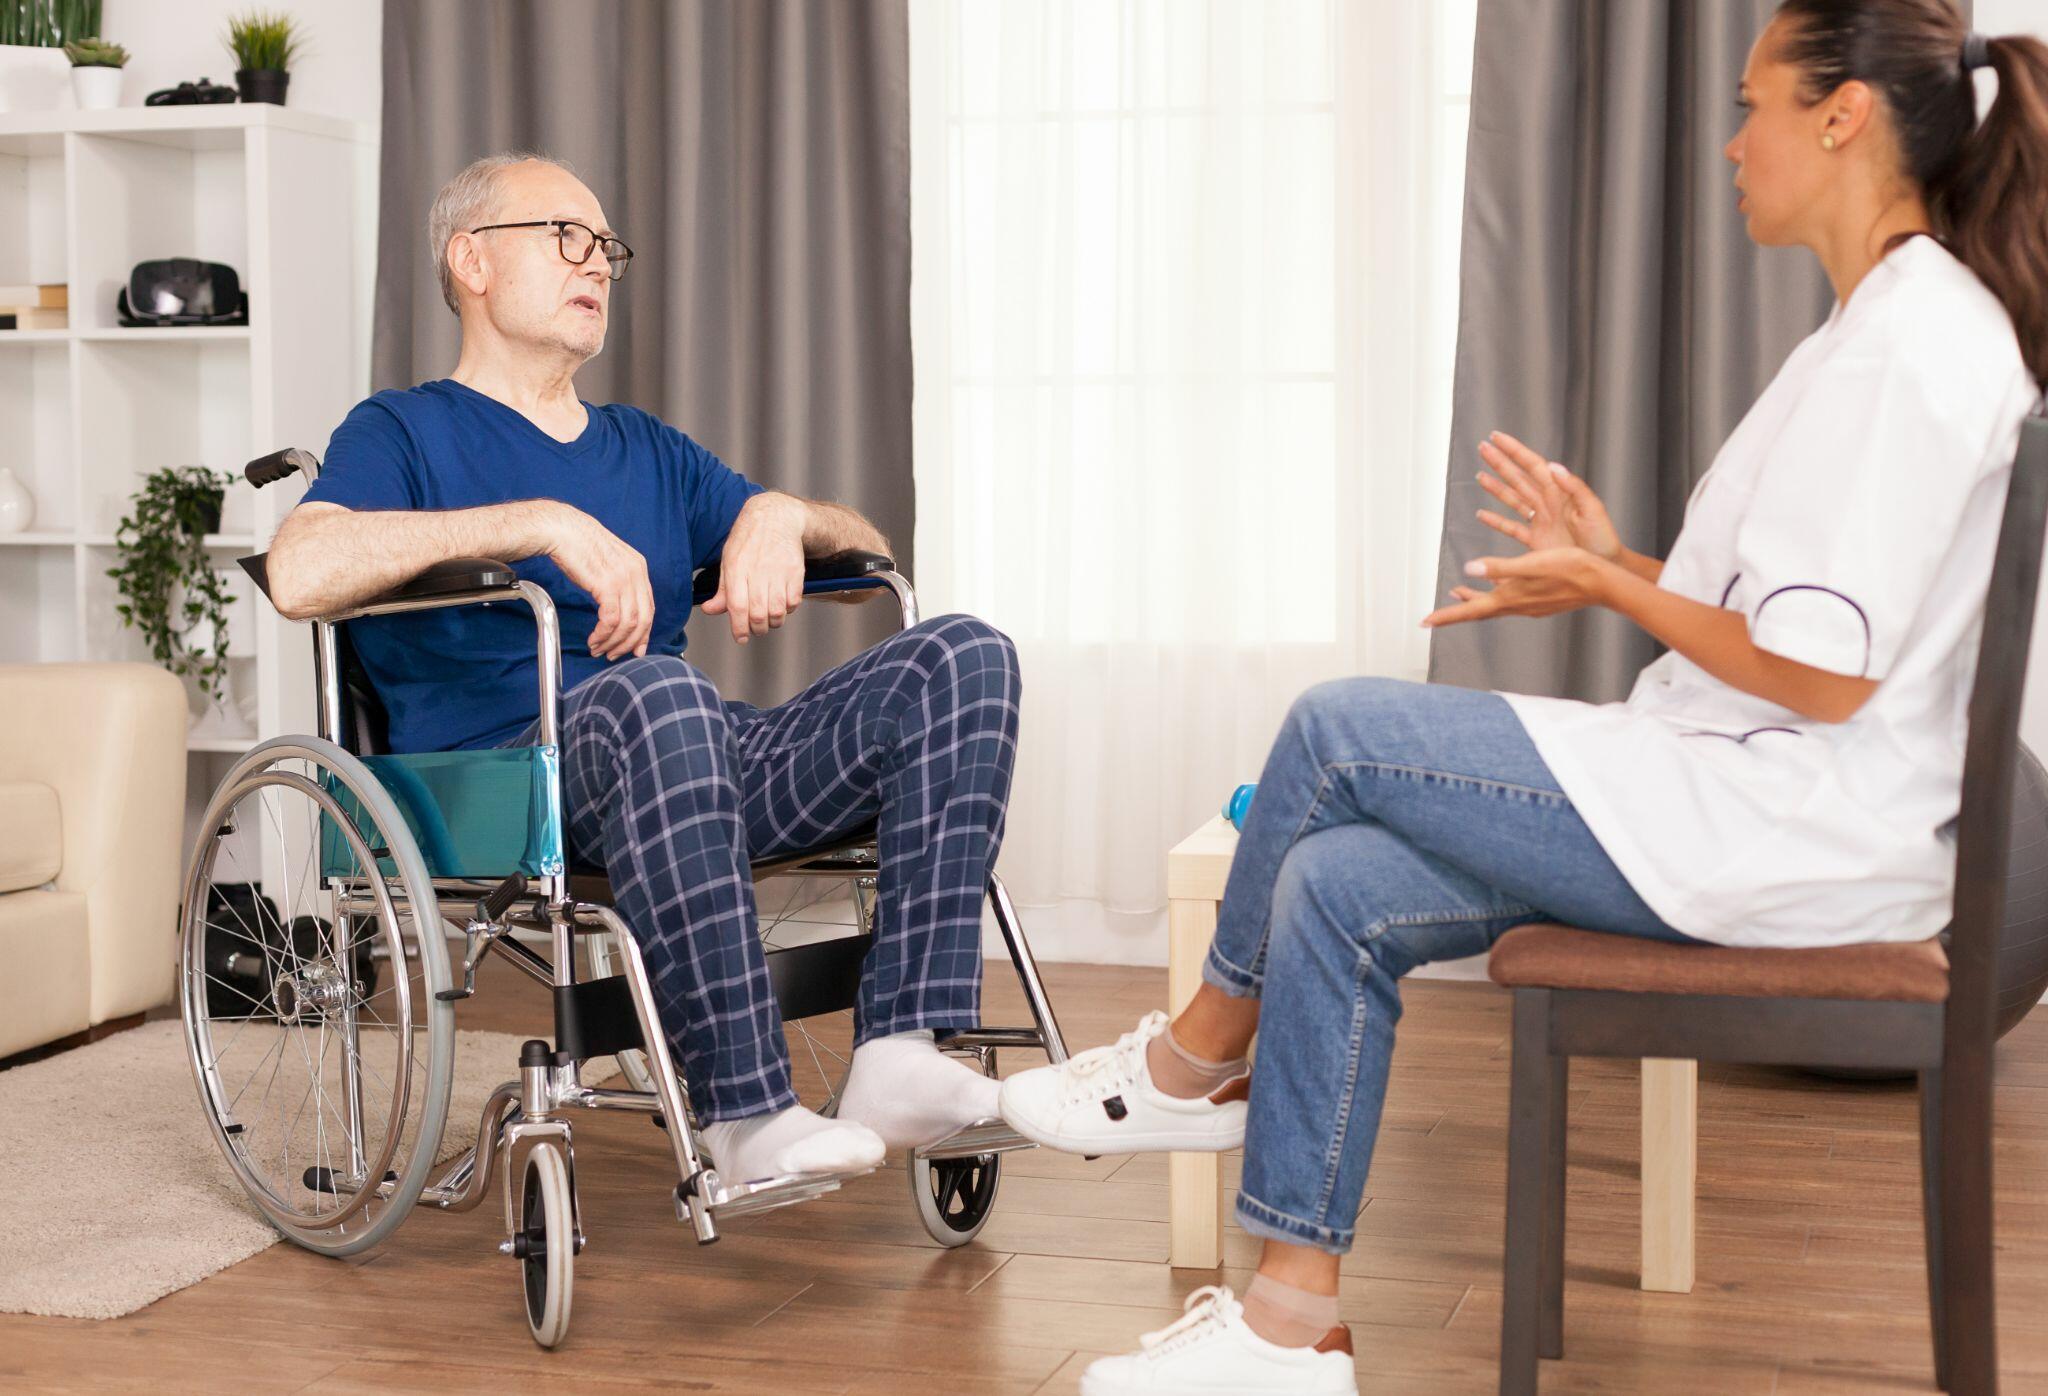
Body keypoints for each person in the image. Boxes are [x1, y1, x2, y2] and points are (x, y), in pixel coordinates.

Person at [997, 3, 2048, 1391]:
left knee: (1337, 727)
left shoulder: (1912, 347)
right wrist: (1614, 559)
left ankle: (1193, 1067)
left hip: (1792, 829)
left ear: (1842, 114)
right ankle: (1289, 1329)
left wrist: (1611, 590)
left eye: (1754, 106)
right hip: (1753, 794)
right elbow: (1793, 619)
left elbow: (1829, 673)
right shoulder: (1878, 331)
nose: (1733, 143)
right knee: (1336, 884)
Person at [263, 153, 1022, 1188]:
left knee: (961, 657)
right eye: (564, 237)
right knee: (660, 692)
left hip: (683, 767)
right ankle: (745, 1114)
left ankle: (900, 1050)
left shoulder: (646, 450)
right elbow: (301, 569)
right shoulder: (402, 429)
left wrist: (778, 515)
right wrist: (537, 520)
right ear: (471, 260)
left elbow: (865, 555)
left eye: (607, 247)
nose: (599, 265)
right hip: (504, 781)